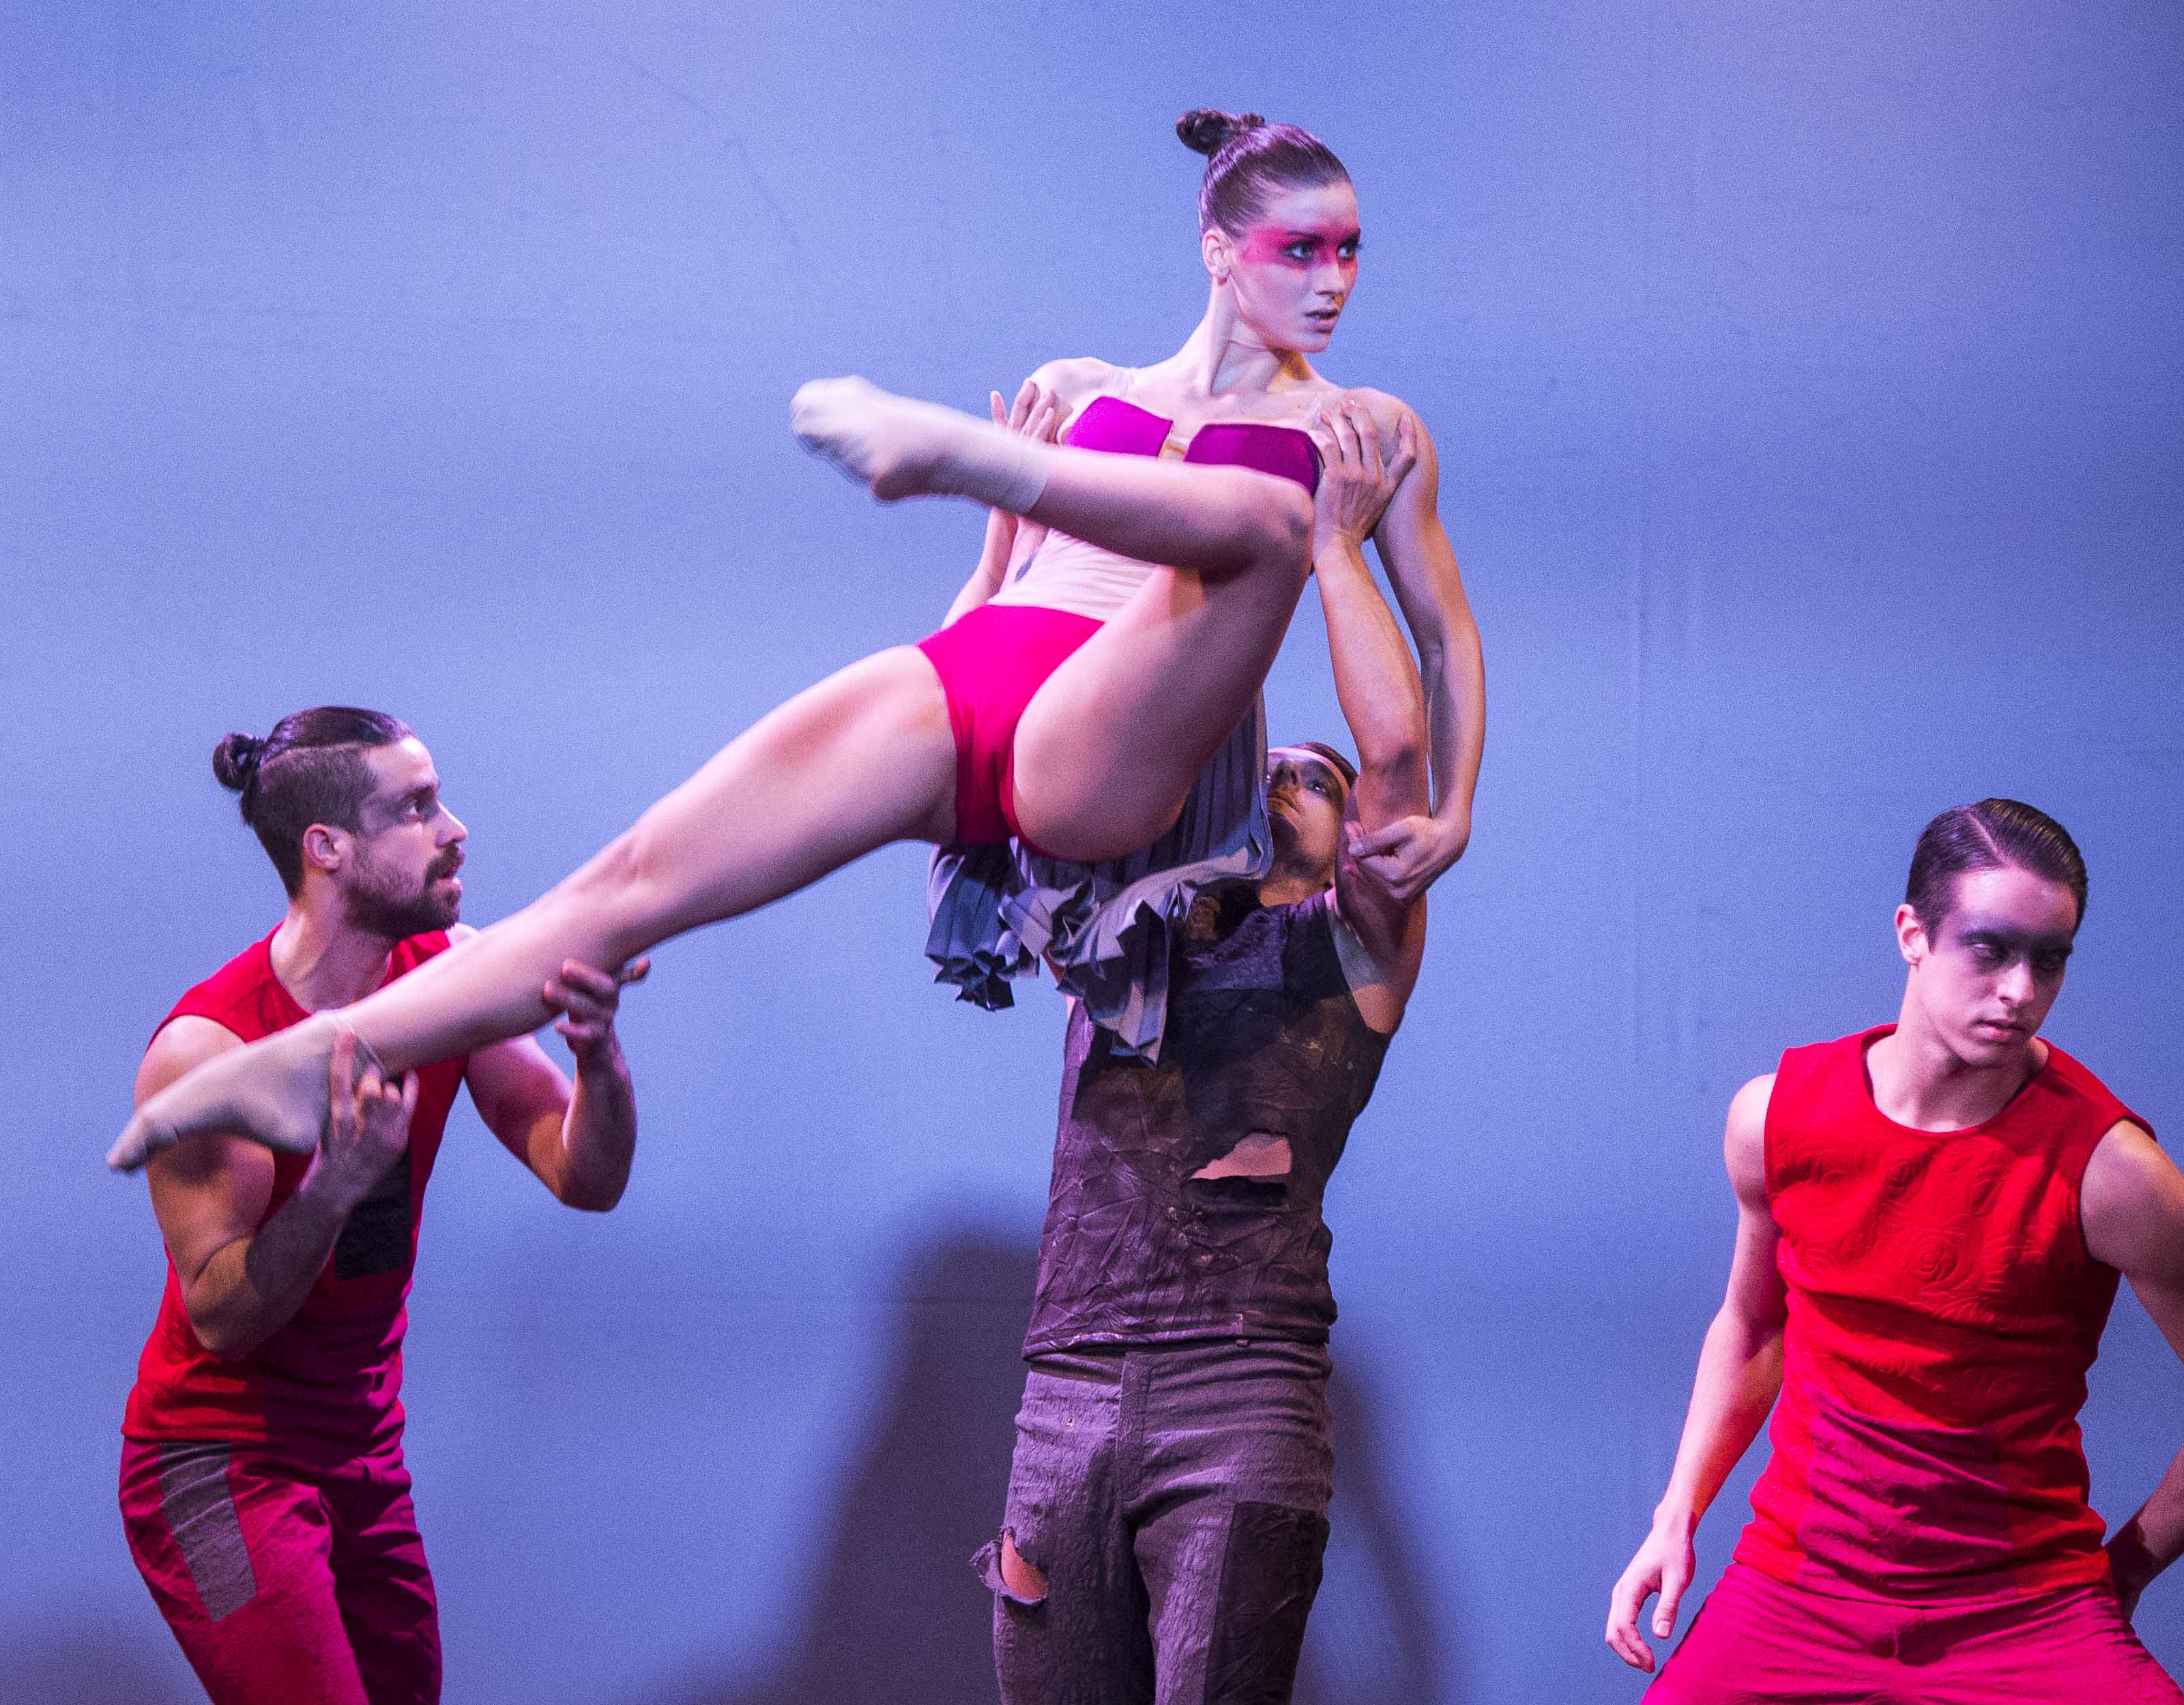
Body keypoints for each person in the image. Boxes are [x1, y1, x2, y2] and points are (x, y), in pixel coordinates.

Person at [107, 105, 1483, 1172]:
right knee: (627, 880)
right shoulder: (1081, 387)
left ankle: (945, 454)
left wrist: (1456, 805)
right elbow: (989, 609)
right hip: (976, 685)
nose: (1334, 279)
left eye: (1350, 249)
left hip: (1101, 755)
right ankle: (309, 1064)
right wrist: (993, 549)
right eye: (1301, 248)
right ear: (1218, 248)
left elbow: (1441, 650)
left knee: (1262, 524)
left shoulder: (1359, 432)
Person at [1604, 800, 2184, 1705]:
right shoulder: (1776, 1118)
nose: (2020, 991)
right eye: (1990, 950)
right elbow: (1755, 1325)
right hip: (1801, 1591)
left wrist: (2128, 1571)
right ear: (1912, 935)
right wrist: (1676, 1513)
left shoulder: (2110, 1171)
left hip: (2020, 1612)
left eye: (2049, 961)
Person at [978, 404, 1428, 1705]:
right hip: (1068, 1383)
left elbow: (1398, 766)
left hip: (1239, 1383)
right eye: (1261, 764)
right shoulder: (1120, 939)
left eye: (1307, 776)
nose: (1276, 773)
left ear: (1346, 837)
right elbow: (1003, 750)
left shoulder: (1348, 953)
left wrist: (1330, 546)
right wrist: (1011, 537)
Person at [119, 708, 644, 1705]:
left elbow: (583, 1177)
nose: (455, 829)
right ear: (328, 849)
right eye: (415, 808)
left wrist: (599, 1059)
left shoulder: (445, 978)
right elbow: (222, 1316)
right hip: (213, 1465)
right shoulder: (212, 1051)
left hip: (362, 1457)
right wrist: (337, 1183)